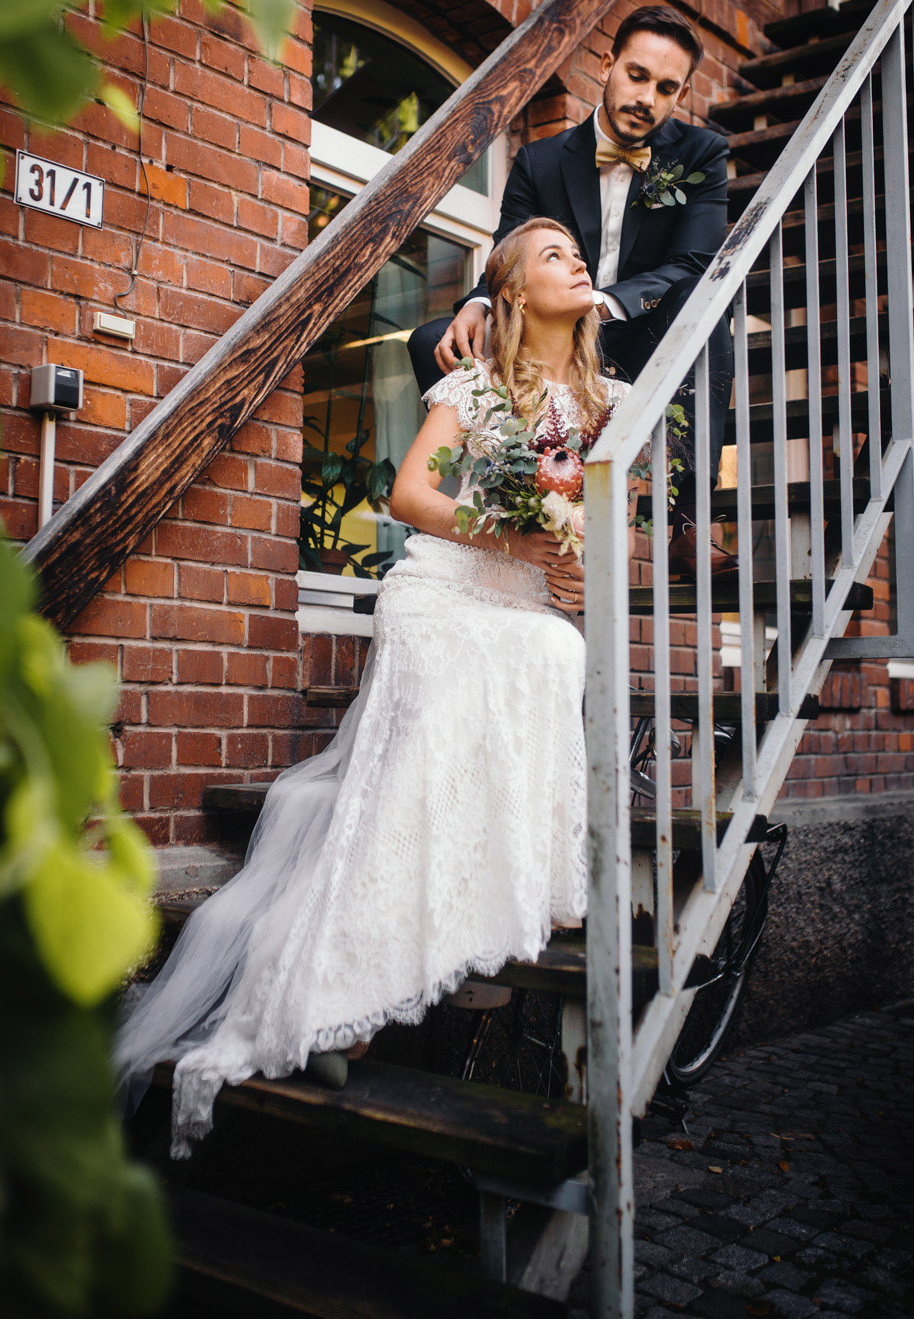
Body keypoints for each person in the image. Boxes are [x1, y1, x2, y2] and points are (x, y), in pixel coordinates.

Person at [115, 218, 626, 1157]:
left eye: (578, 253)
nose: (577, 261)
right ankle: (332, 996)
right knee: (524, 665)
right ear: (511, 290)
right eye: (553, 254)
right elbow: (411, 497)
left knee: (554, 649)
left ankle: (511, 895)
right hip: (442, 590)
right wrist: (514, 537)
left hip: (522, 604)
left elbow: (611, 533)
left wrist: (573, 562)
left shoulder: (610, 406)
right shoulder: (476, 382)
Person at [408, 4, 735, 580]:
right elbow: (510, 251)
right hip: (548, 340)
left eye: (665, 88)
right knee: (434, 340)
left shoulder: (700, 155)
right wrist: (480, 303)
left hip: (638, 339)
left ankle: (689, 523)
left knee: (705, 304)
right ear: (607, 65)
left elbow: (693, 263)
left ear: (681, 95)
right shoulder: (540, 160)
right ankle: (498, 497)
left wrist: (599, 304)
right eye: (636, 75)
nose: (646, 99)